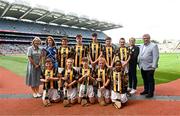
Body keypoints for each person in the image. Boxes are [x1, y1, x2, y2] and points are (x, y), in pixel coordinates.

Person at [138, 34, 159, 98]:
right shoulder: (141, 46)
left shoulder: (153, 46)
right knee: (145, 79)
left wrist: (153, 66)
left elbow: (156, 56)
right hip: (142, 66)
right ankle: (146, 90)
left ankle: (150, 93)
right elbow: (140, 55)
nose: (145, 39)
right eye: (144, 38)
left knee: (150, 80)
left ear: (149, 38)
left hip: (150, 67)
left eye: (147, 38)